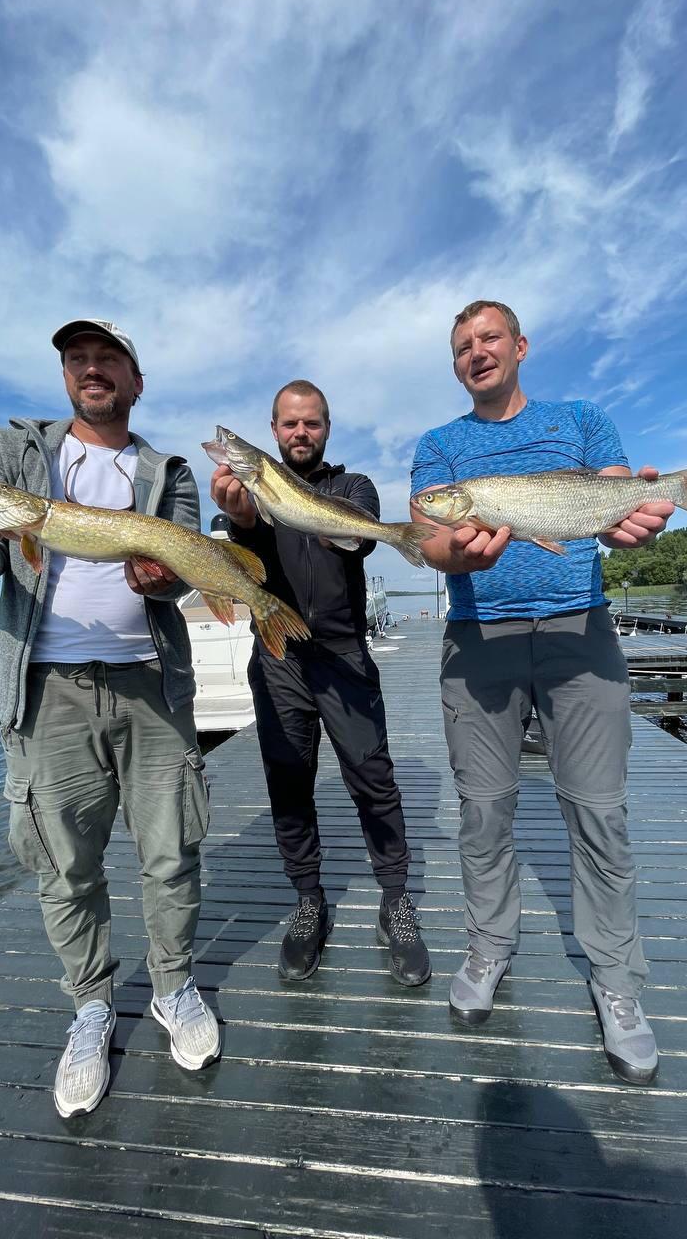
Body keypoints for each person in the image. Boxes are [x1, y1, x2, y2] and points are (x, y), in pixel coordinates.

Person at [0, 318, 220, 1118]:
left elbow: (181, 576)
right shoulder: (15, 452)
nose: (90, 370)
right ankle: (92, 1007)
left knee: (170, 854)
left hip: (151, 689)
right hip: (46, 689)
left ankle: (173, 986)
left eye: (107, 359)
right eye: (76, 359)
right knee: (66, 867)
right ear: (66, 376)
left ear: (135, 378)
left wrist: (163, 579)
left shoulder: (168, 471)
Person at [410, 301, 674, 1085]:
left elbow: (618, 495)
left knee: (598, 812)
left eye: (489, 339)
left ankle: (619, 984)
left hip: (578, 633)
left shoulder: (583, 419)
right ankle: (489, 946)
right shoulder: (440, 446)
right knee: (483, 810)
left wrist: (637, 514)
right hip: (478, 641)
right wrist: (459, 555)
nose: (476, 353)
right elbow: (429, 540)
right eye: (462, 347)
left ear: (519, 347)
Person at [211, 381, 432, 987]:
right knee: (289, 784)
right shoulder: (254, 494)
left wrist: (350, 528)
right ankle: (309, 902)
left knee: (374, 780)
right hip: (279, 656)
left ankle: (396, 902)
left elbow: (356, 540)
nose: (300, 433)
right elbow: (250, 556)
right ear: (274, 431)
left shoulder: (353, 487)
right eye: (289, 425)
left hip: (342, 655)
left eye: (311, 424)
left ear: (326, 428)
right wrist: (239, 520)